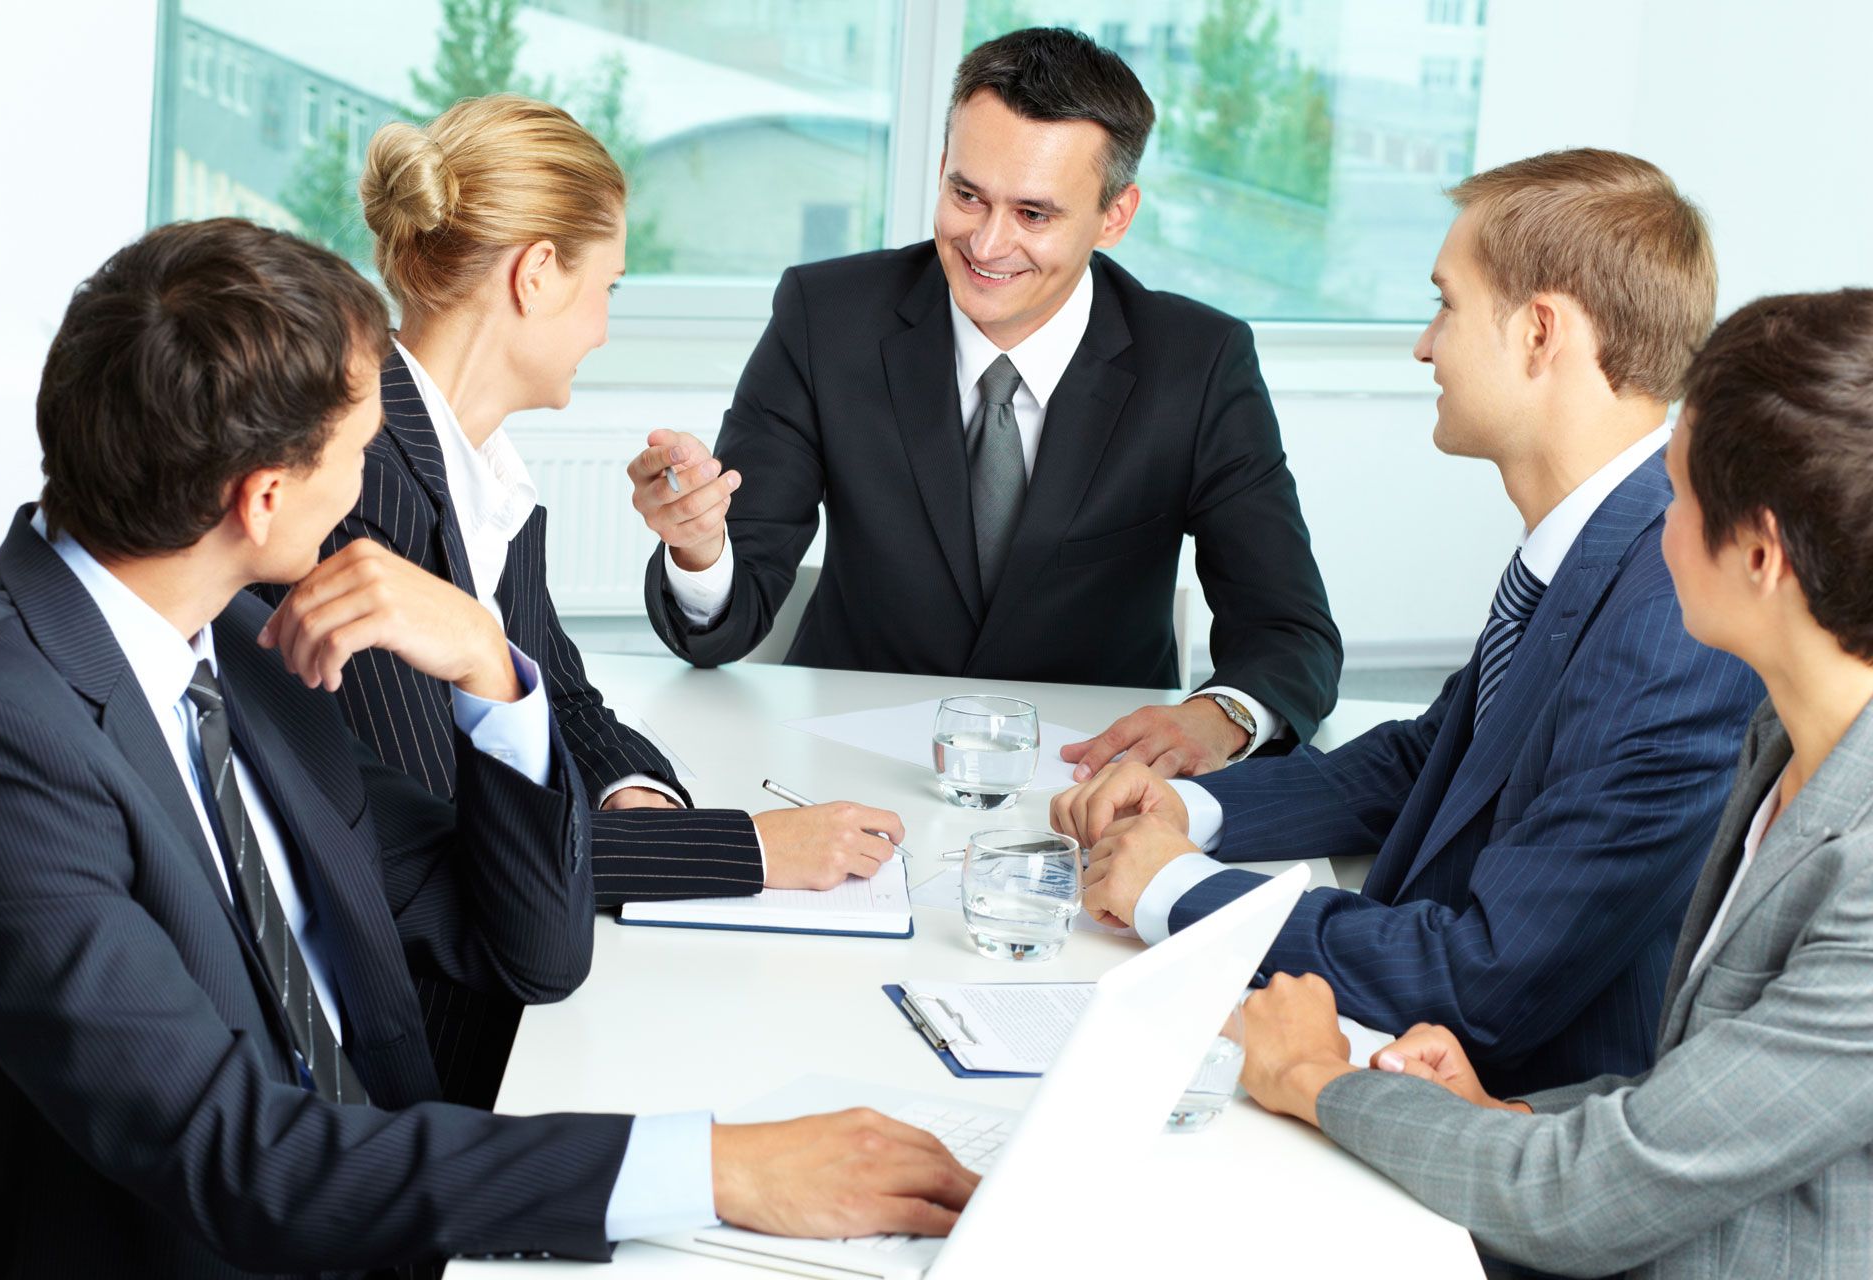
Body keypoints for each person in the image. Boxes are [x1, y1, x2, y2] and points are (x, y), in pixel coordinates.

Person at [0, 219, 973, 1278]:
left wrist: (494, 672)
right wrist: (715, 1168)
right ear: (263, 498)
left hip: (415, 1219)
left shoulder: (239, 651)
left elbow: (532, 945)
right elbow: (247, 1159)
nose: (366, 491)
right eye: (357, 452)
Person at [1051, 149, 1762, 1097]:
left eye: (1447, 305)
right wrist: (1197, 808)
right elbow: (1431, 761)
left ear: (1540, 332)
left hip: (1505, 1117)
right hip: (1399, 1043)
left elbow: (1486, 977)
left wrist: (1178, 889)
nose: (1424, 347)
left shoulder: (1671, 612)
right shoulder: (1601, 544)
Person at [271, 94, 910, 1109]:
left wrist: (632, 796)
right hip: (426, 1047)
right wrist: (745, 847)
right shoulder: (357, 488)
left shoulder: (477, 466)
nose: (605, 326)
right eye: (606, 286)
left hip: (517, 974)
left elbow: (559, 697)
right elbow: (444, 834)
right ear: (535, 274)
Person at [1239, 287, 1873, 1280]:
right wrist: (1512, 1114)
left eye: (1679, 490)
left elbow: (1591, 1196)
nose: (1656, 523)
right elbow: (1703, 1095)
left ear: (1759, 554)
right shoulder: (1787, 739)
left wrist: (1316, 1077)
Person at [628, 27, 1342, 780]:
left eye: (1034, 215)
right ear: (941, 169)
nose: (988, 244)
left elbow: (1289, 630)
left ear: (1115, 216)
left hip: (1087, 774)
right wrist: (699, 547)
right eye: (967, 195)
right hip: (842, 761)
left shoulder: (1198, 363)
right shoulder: (826, 317)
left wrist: (1219, 715)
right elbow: (720, 625)